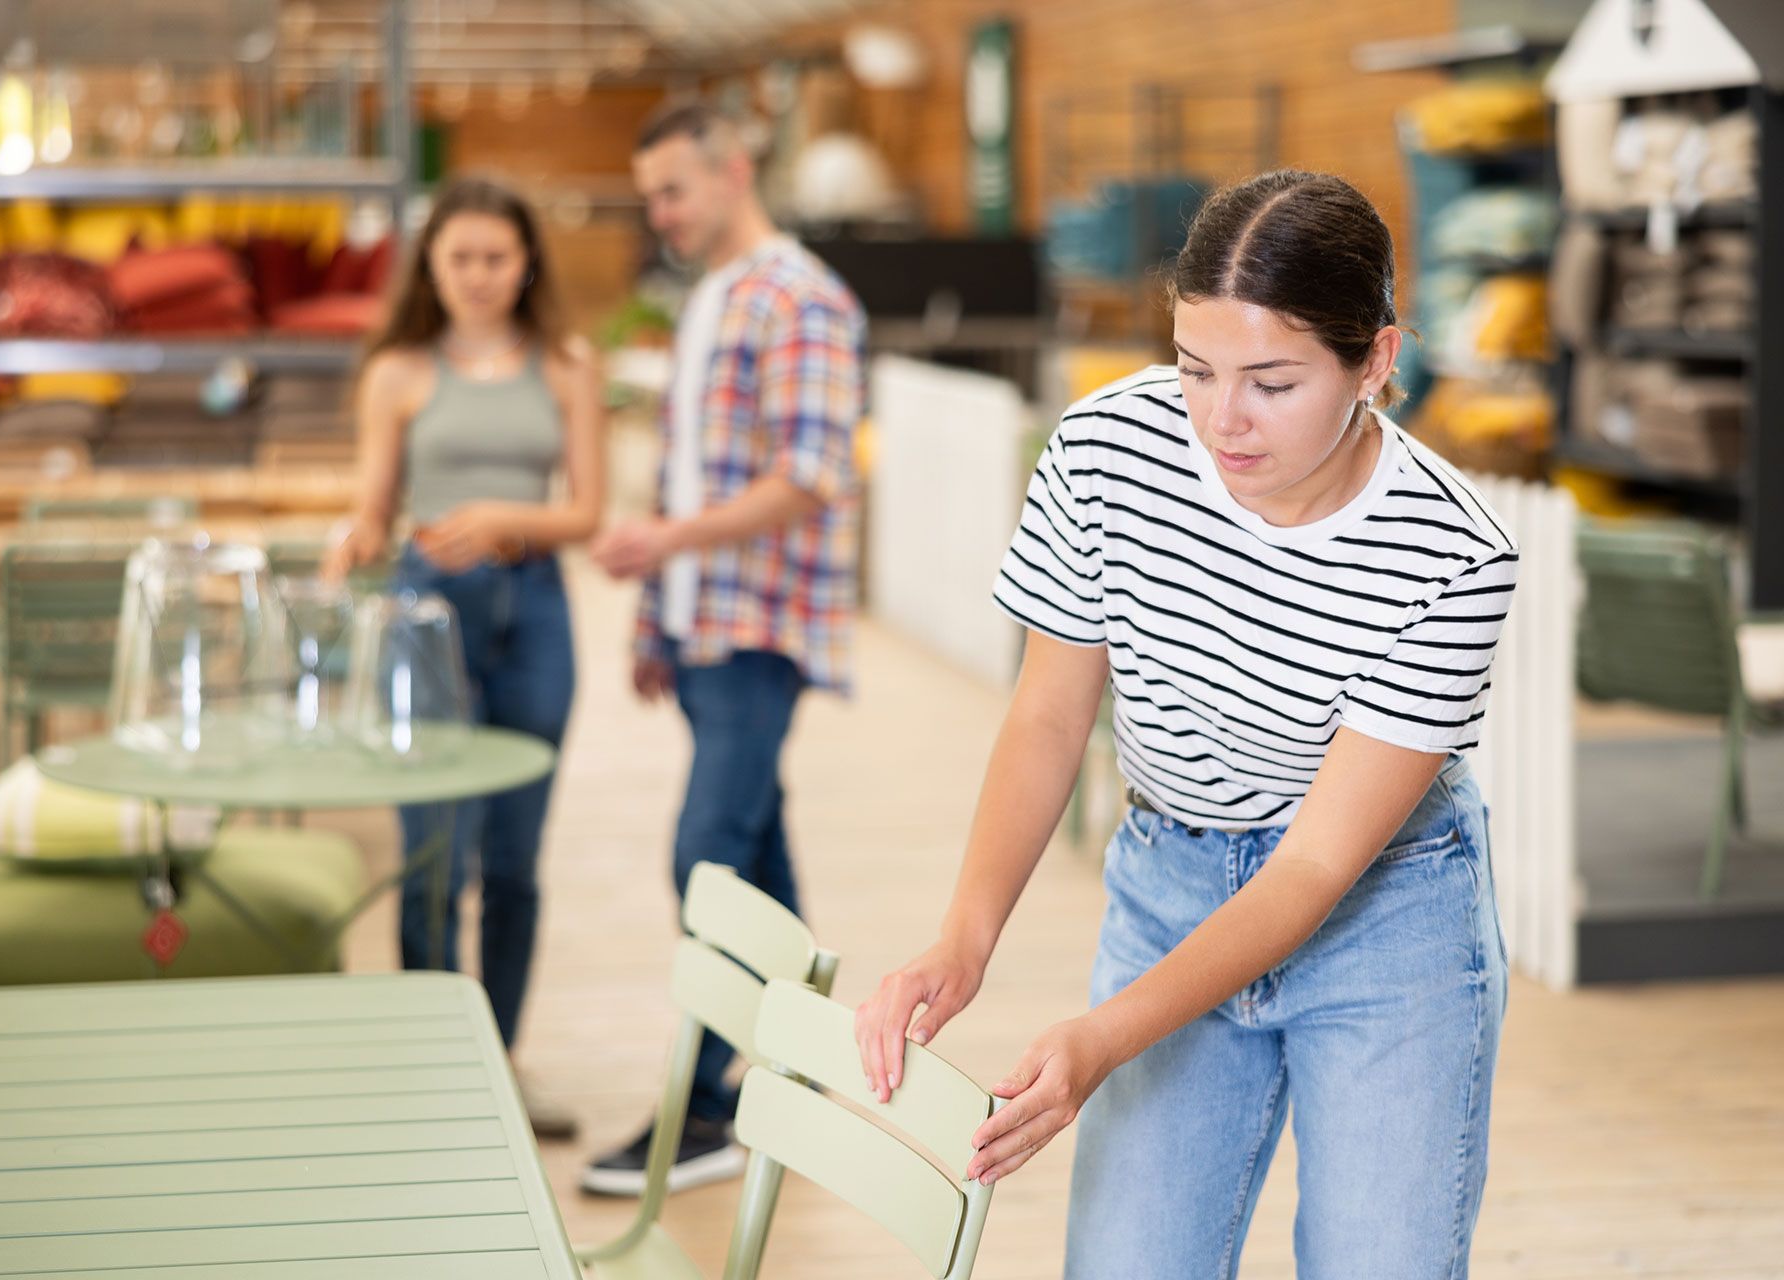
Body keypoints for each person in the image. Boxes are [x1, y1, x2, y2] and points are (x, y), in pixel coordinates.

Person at [856, 170, 1517, 1278]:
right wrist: (965, 937)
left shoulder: (1452, 551)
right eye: (1195, 366)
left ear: (1378, 362)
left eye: (1272, 380)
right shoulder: (1106, 450)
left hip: (1386, 914)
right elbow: (1051, 713)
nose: (1221, 419)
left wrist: (1103, 1038)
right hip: (1170, 881)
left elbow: (1311, 867)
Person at [584, 102, 866, 1195]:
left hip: (762, 626)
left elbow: (808, 475)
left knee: (703, 854)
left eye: (673, 190)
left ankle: (707, 1101)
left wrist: (665, 546)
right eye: (649, 194)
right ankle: (795, 1070)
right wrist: (657, 614)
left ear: (733, 169)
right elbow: (685, 471)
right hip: (704, 622)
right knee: (757, 855)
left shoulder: (800, 299)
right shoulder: (709, 300)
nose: (660, 213)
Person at [325, 175, 605, 1139]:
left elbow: (587, 512)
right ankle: (428, 1063)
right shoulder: (397, 372)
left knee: (516, 859)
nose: (480, 276)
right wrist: (355, 536)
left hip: (533, 609)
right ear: (431, 268)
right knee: (432, 854)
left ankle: (501, 1060)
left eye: (497, 257)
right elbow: (374, 504)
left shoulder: (567, 364)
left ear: (527, 262)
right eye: (460, 259)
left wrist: (500, 520)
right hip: (422, 608)